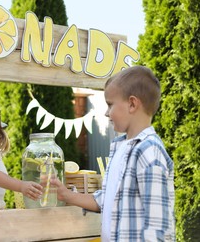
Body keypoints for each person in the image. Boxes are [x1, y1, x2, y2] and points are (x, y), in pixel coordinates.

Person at [52, 66, 175, 241]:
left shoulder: (148, 151)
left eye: (110, 104)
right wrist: (66, 194)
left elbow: (157, 224)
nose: (106, 112)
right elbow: (106, 200)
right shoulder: (121, 148)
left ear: (132, 104)